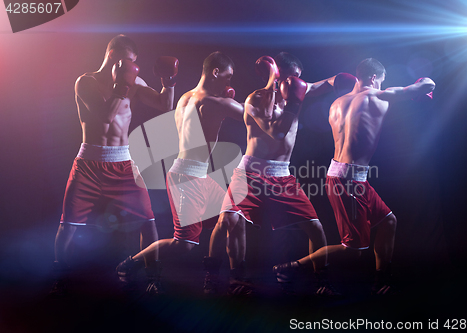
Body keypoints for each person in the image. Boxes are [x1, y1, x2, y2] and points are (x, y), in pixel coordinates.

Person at [273, 58, 436, 296]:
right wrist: (419, 86)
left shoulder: (337, 103)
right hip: (348, 182)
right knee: (354, 248)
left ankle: (381, 281)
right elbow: (428, 85)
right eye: (381, 81)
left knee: (389, 221)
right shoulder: (378, 96)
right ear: (373, 78)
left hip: (348, 177)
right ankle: (292, 266)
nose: (381, 85)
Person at [205, 53, 358, 295]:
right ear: (278, 77)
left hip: (281, 175)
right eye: (291, 78)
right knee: (227, 220)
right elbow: (274, 132)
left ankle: (322, 282)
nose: (297, 83)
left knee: (316, 227)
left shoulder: (298, 91)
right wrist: (288, 98)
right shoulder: (255, 98)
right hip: (251, 171)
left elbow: (325, 83)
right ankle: (216, 280)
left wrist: (345, 81)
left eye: (298, 79)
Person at [51, 34, 177, 295]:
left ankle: (152, 276)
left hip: (123, 162)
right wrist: (122, 84)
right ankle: (61, 276)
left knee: (148, 220)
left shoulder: (134, 82)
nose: (129, 67)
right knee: (69, 224)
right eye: (125, 62)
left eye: (132, 63)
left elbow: (166, 105)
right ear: (111, 57)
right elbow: (106, 117)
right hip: (89, 163)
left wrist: (169, 81)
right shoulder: (86, 82)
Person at [116, 51, 244, 293]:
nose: (229, 84)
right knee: (184, 244)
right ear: (216, 72)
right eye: (228, 77)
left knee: (233, 218)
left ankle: (219, 278)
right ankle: (129, 264)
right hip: (187, 177)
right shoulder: (214, 102)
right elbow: (256, 118)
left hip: (197, 174)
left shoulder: (185, 98)